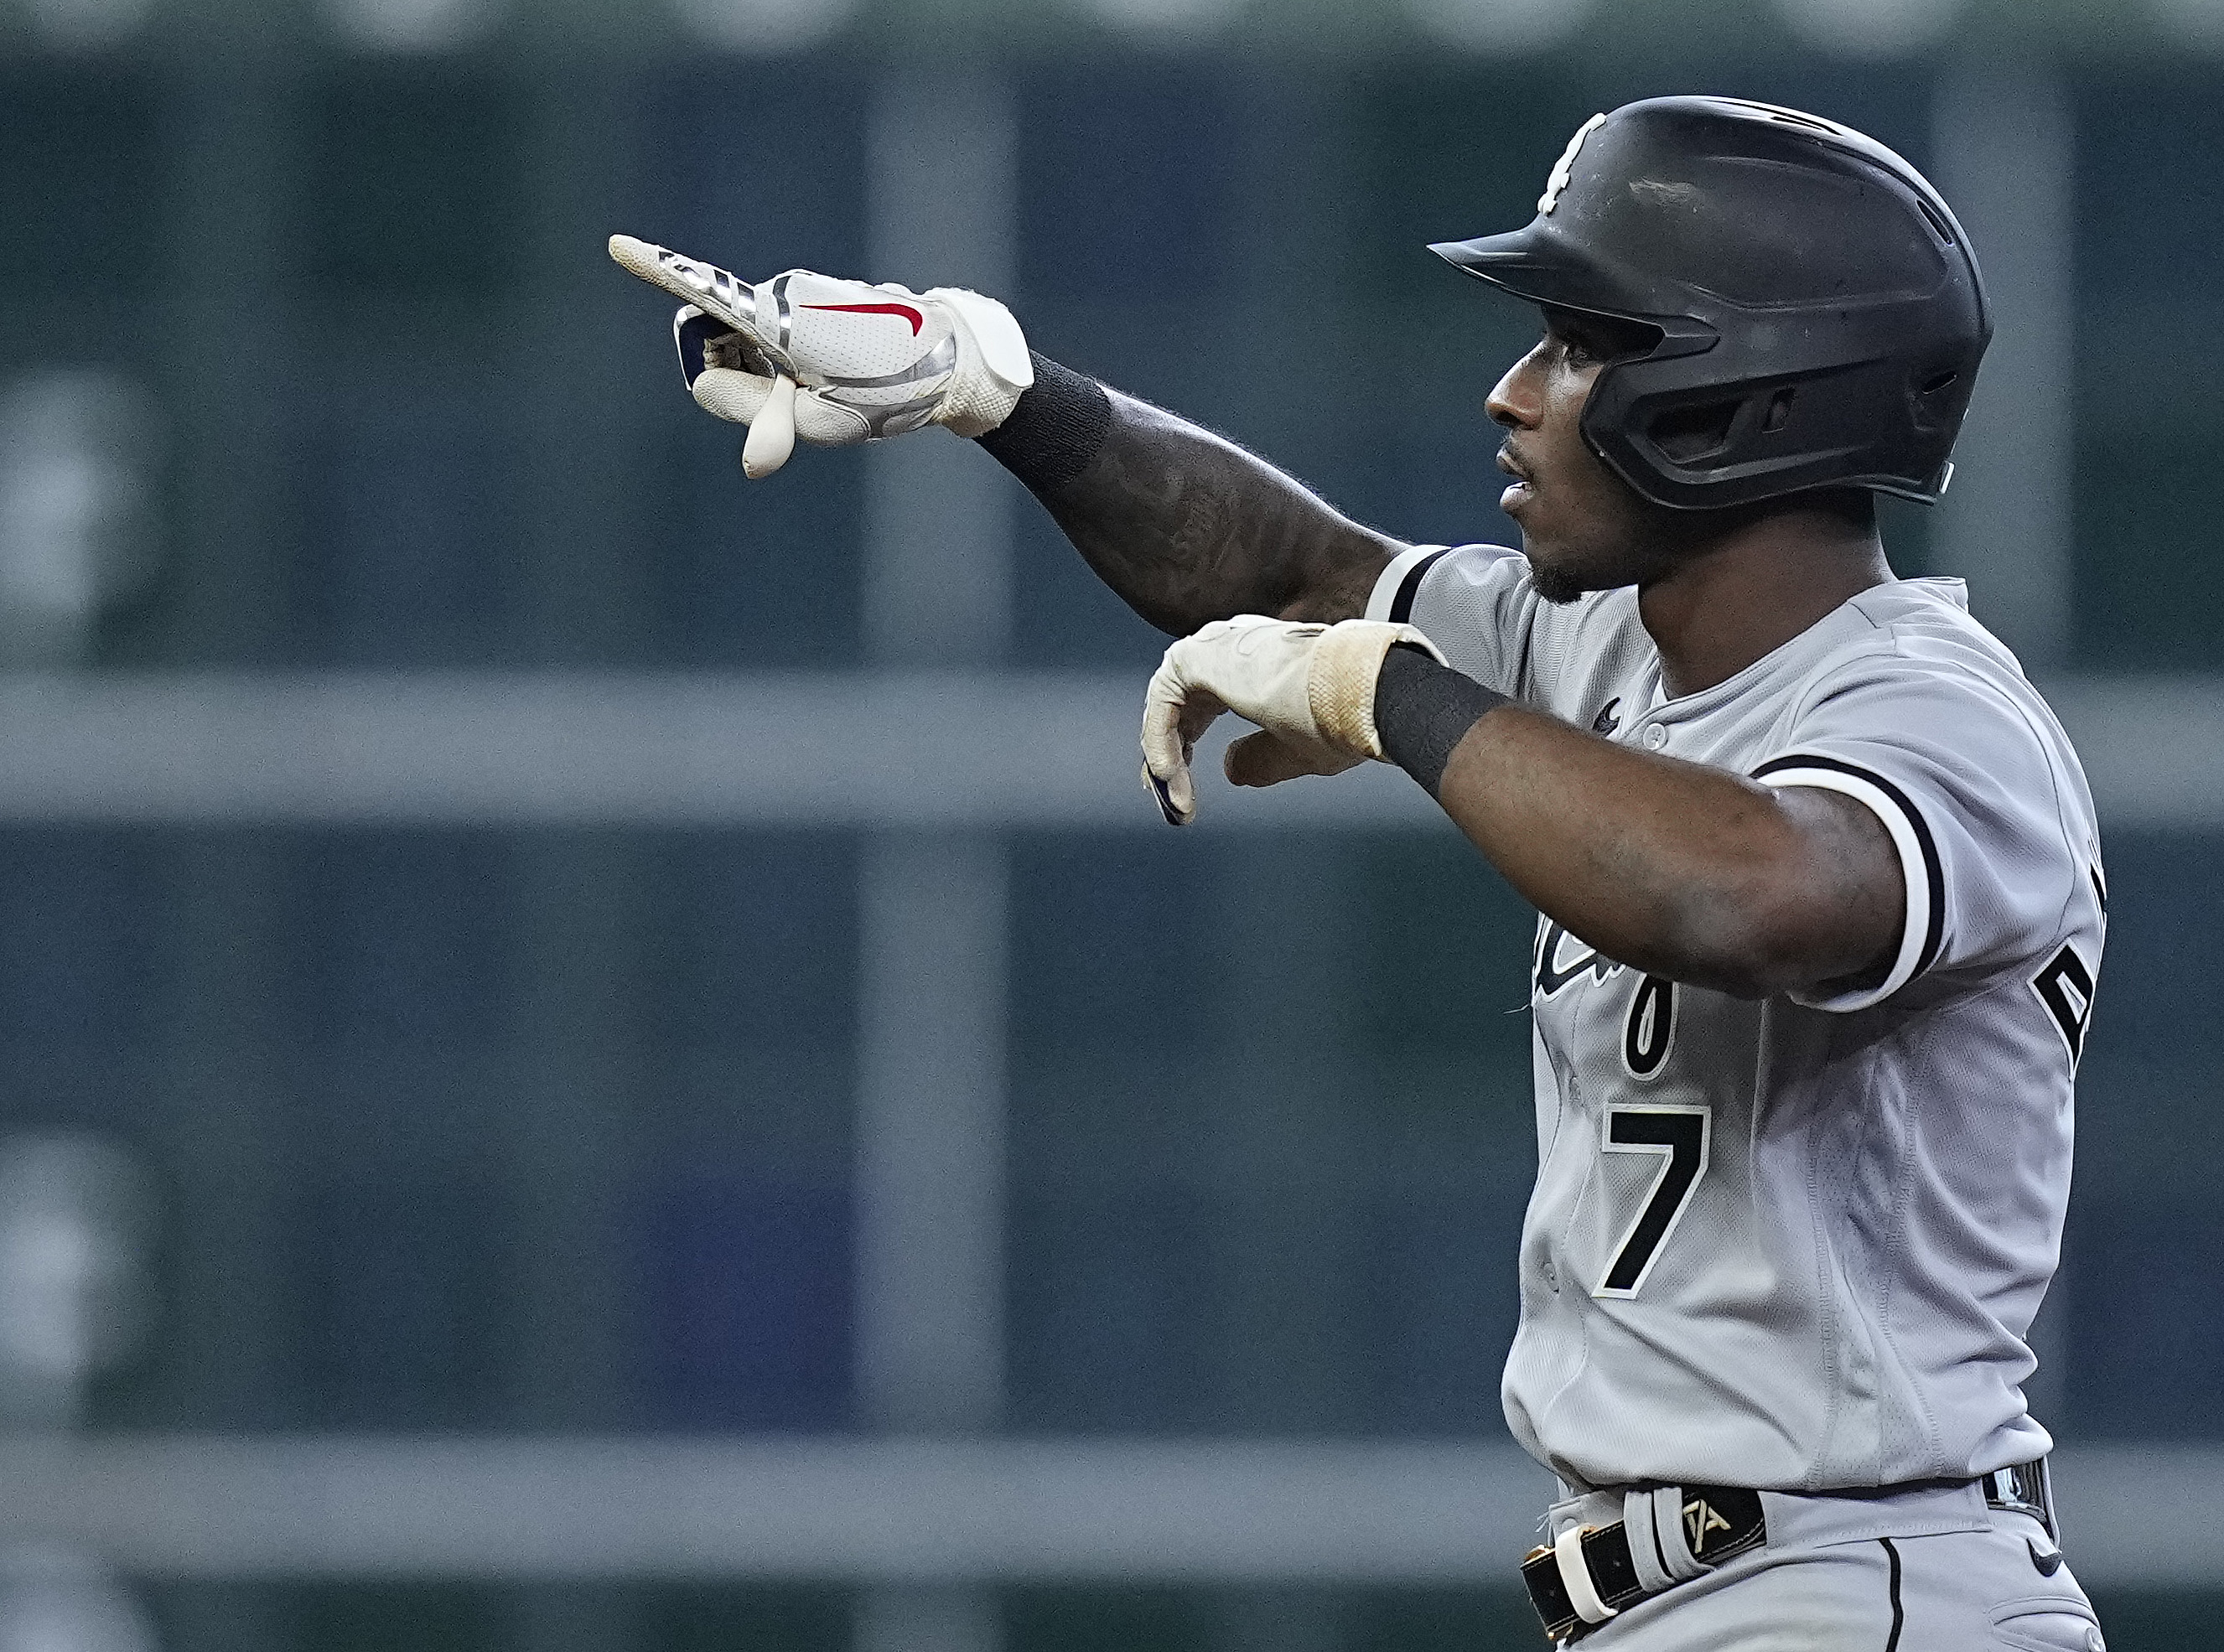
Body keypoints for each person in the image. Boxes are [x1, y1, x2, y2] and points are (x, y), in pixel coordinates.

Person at [614, 93, 2107, 1652]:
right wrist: (998, 391)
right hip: (1714, 1598)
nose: (1513, 395)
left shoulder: (1932, 707)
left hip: (1857, 1584)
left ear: (1746, 396)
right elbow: (1292, 575)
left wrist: (1392, 696)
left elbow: (1753, 894)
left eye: (1583, 342)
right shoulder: (1607, 649)